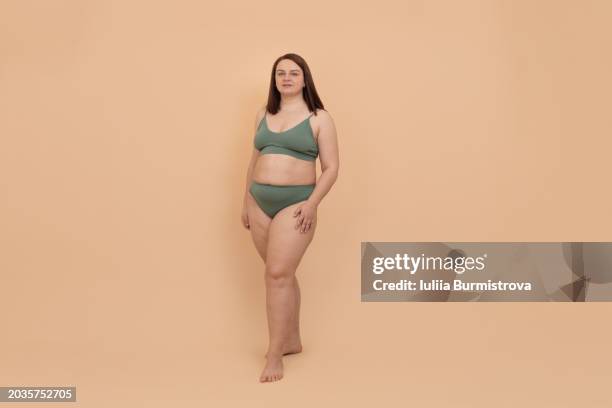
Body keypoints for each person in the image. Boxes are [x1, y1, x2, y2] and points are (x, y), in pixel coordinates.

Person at [241, 53, 339, 382]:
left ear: (304, 79)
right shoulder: (262, 114)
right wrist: (245, 200)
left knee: (277, 274)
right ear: (275, 80)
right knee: (282, 275)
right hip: (258, 201)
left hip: (295, 204)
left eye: (293, 73)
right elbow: (254, 159)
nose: (286, 78)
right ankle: (292, 340)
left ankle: (274, 354)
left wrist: (312, 204)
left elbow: (332, 168)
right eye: (280, 73)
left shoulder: (319, 118)